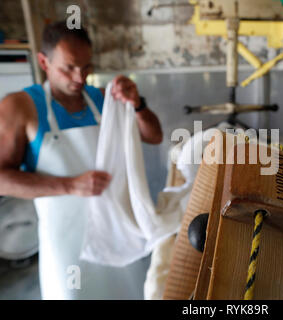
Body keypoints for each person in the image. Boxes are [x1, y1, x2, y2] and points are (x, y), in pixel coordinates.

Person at [0, 21, 163, 299]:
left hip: (118, 235)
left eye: (87, 67)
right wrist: (70, 186)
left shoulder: (102, 99)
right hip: (67, 243)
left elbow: (154, 136)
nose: (80, 77)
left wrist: (138, 104)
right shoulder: (20, 107)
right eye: (69, 67)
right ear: (43, 62)